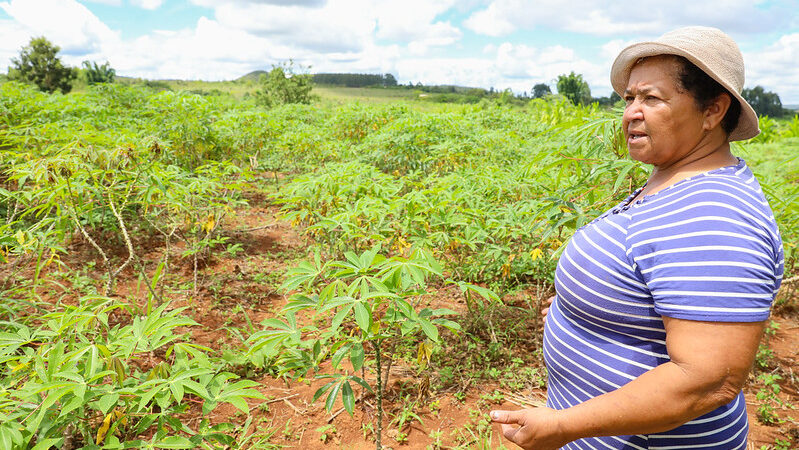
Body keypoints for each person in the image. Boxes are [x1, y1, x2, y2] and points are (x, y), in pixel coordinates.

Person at [490, 26, 784, 449]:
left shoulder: (715, 214)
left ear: (713, 111)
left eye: (651, 98)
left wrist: (561, 426)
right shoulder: (675, 177)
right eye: (629, 98)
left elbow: (704, 381)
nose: (631, 112)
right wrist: (580, 310)